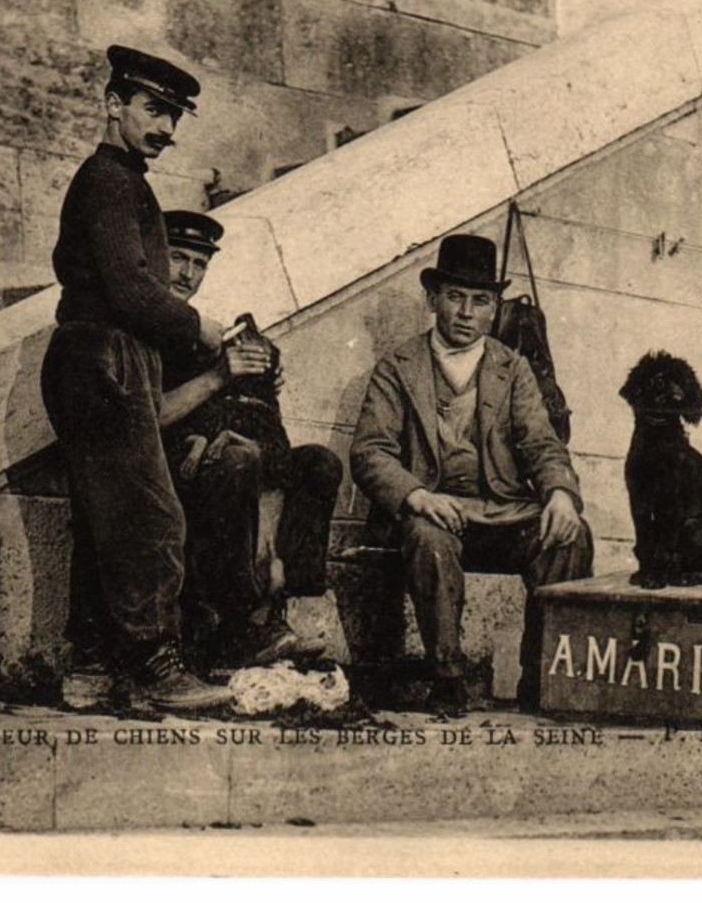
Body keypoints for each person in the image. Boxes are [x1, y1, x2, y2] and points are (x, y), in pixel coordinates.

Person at [41, 45, 233, 712]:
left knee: (108, 517)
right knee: (151, 514)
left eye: (174, 116)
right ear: (113, 105)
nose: (166, 128)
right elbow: (129, 290)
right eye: (153, 109)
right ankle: (155, 665)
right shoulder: (110, 181)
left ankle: (98, 664)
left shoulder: (122, 181)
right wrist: (198, 327)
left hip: (103, 358)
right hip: (104, 359)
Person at [349, 234, 593, 715]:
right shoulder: (398, 367)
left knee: (570, 536)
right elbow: (370, 452)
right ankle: (447, 675)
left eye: (480, 301)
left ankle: (543, 680)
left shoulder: (513, 367)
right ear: (432, 299)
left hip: (500, 512)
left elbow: (541, 443)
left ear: (494, 309)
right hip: (432, 513)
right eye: (455, 297)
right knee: (428, 539)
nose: (465, 312)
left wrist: (561, 493)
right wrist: (417, 495)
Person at [157, 210, 340, 670]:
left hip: (234, 463)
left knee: (319, 462)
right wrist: (223, 377)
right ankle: (241, 622)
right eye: (177, 258)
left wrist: (256, 373)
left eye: (199, 264)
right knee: (238, 459)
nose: (188, 274)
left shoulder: (208, 331)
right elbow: (153, 416)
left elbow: (266, 431)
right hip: (172, 471)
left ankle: (292, 606)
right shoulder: (149, 325)